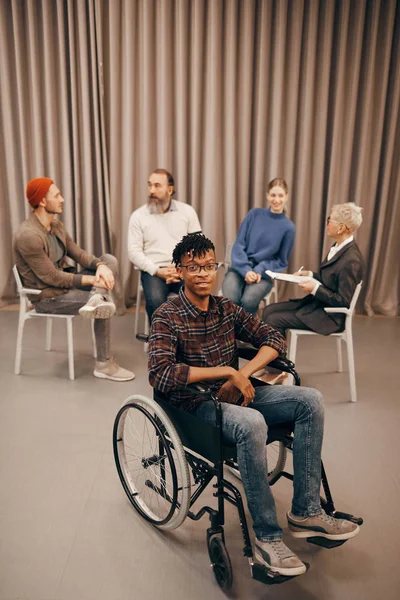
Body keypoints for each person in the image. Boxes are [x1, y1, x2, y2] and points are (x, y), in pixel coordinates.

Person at [148, 233, 359, 578]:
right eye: (193, 267)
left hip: (238, 392)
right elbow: (160, 373)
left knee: (310, 401)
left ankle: (306, 512)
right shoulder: (167, 316)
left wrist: (242, 374)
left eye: (209, 266)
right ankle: (267, 538)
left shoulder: (225, 308)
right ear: (180, 270)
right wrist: (227, 371)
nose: (203, 273)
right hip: (196, 407)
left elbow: (274, 338)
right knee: (252, 424)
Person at [14, 177, 135, 382]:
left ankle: (98, 298)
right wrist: (92, 282)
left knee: (109, 260)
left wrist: (100, 266)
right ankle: (103, 364)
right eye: (57, 195)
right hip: (47, 297)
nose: (62, 199)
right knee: (103, 301)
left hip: (64, 287)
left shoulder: (56, 226)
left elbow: (79, 254)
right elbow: (51, 277)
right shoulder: (28, 236)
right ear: (42, 201)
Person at [262, 203, 364, 336]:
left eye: (329, 220)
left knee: (273, 319)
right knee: (268, 310)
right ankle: (270, 353)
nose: (327, 223)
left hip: (329, 317)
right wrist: (310, 274)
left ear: (341, 228)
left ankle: (276, 356)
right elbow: (331, 280)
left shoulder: (352, 260)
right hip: (317, 305)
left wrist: (315, 289)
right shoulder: (339, 247)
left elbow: (343, 301)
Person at [127, 168, 201, 321]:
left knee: (197, 296)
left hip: (183, 269)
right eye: (149, 185)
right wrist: (157, 271)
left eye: (157, 186)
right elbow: (134, 252)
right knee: (155, 301)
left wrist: (182, 267)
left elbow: (198, 246)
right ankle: (161, 341)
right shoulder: (138, 216)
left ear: (170, 189)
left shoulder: (187, 212)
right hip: (154, 271)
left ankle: (188, 340)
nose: (151, 190)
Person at [222, 178, 295, 315]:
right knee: (231, 299)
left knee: (248, 301)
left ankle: (244, 334)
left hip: (263, 275)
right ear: (267, 195)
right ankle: (229, 334)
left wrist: (259, 270)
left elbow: (281, 261)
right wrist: (246, 270)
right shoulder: (254, 215)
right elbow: (239, 245)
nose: (276, 200)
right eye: (273, 195)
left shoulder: (288, 228)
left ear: (286, 197)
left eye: (280, 196)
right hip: (239, 268)